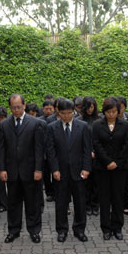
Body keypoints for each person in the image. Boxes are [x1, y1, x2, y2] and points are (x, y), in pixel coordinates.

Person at [0, 94, 44, 243]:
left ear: (24, 106)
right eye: (13, 108)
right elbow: (1, 149)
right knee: (13, 204)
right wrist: (2, 169)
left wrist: (38, 169)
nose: (16, 110)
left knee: (33, 203)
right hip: (12, 171)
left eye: (18, 107)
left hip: (30, 171)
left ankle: (34, 230)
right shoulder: (4, 125)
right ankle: (13, 231)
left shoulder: (35, 123)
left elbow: (39, 149)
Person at [46, 99, 92, 242]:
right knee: (61, 203)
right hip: (61, 172)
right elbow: (51, 151)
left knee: (80, 202)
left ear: (74, 112)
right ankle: (62, 230)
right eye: (63, 113)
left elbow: (87, 149)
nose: (67, 116)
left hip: (78, 172)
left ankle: (79, 230)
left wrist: (86, 168)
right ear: (58, 113)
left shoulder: (83, 126)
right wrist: (54, 169)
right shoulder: (52, 127)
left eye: (70, 113)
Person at [93, 97, 128, 240]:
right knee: (104, 198)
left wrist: (117, 162)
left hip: (120, 168)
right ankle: (106, 228)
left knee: (118, 197)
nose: (111, 114)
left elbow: (127, 145)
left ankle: (117, 227)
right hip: (102, 167)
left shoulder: (125, 125)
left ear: (118, 111)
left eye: (114, 111)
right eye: (109, 112)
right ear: (104, 112)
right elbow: (96, 145)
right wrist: (108, 161)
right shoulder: (97, 125)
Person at [77, 96, 100, 217]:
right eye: (88, 107)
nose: (90, 110)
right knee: (85, 182)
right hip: (84, 155)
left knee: (96, 182)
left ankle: (95, 205)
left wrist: (96, 151)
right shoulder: (79, 120)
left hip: (97, 156)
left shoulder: (100, 119)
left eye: (92, 107)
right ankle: (86, 205)